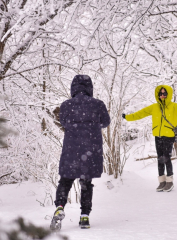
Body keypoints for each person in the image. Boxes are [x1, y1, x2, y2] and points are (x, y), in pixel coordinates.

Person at [50, 75, 111, 230]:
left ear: (73, 88)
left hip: (71, 149)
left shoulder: (66, 105)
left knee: (65, 180)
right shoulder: (98, 104)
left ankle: (60, 207)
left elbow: (63, 122)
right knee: (86, 183)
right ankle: (84, 216)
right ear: (90, 88)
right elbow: (106, 122)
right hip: (90, 150)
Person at [122, 85, 177, 192]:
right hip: (158, 136)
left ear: (168, 94)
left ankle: (169, 181)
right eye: (160, 94)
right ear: (158, 95)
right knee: (160, 159)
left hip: (169, 136)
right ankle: (162, 182)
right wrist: (128, 117)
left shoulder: (174, 106)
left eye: (165, 93)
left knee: (167, 158)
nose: (162, 95)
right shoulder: (154, 107)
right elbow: (140, 114)